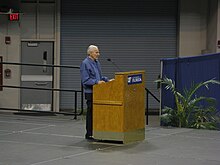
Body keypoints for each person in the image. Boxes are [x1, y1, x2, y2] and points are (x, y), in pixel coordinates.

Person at [80, 45, 110, 140]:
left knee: (98, 114)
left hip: (99, 92)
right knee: (91, 114)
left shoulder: (97, 62)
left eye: (98, 52)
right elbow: (85, 80)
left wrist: (107, 80)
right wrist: (96, 82)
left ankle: (97, 132)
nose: (98, 54)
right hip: (91, 93)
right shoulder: (85, 63)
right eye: (96, 52)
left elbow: (99, 77)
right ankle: (89, 134)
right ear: (90, 53)